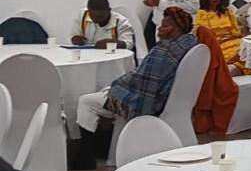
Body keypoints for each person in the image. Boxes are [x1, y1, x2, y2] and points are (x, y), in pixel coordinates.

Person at [74, 8, 199, 155]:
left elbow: (141, 82)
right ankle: (103, 146)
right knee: (108, 90)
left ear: (178, 29)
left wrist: (116, 86)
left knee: (86, 101)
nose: (159, 29)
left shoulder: (162, 52)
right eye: (160, 24)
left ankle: (85, 155)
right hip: (171, 101)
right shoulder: (189, 45)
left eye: (165, 26)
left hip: (145, 102)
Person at [195, 0, 250, 75]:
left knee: (250, 49)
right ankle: (233, 68)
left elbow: (236, 33)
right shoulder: (200, 13)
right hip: (216, 46)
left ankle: (235, 67)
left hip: (233, 42)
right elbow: (203, 35)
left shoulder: (227, 11)